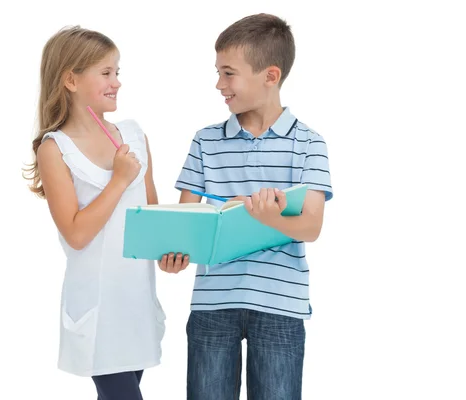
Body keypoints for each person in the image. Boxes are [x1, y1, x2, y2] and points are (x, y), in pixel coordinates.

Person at [159, 14, 333, 399]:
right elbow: (185, 221)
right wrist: (174, 253)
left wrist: (268, 215)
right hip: (212, 301)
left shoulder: (309, 143)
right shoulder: (206, 140)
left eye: (229, 73)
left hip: (280, 303)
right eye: (218, 73)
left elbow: (312, 227)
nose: (219, 84)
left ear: (270, 76)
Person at [24, 25, 165, 400]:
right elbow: (76, 234)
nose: (116, 82)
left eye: (117, 72)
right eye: (106, 73)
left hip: (136, 300)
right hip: (99, 308)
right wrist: (119, 180)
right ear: (70, 79)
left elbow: (152, 218)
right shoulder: (55, 149)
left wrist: (175, 248)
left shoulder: (134, 136)